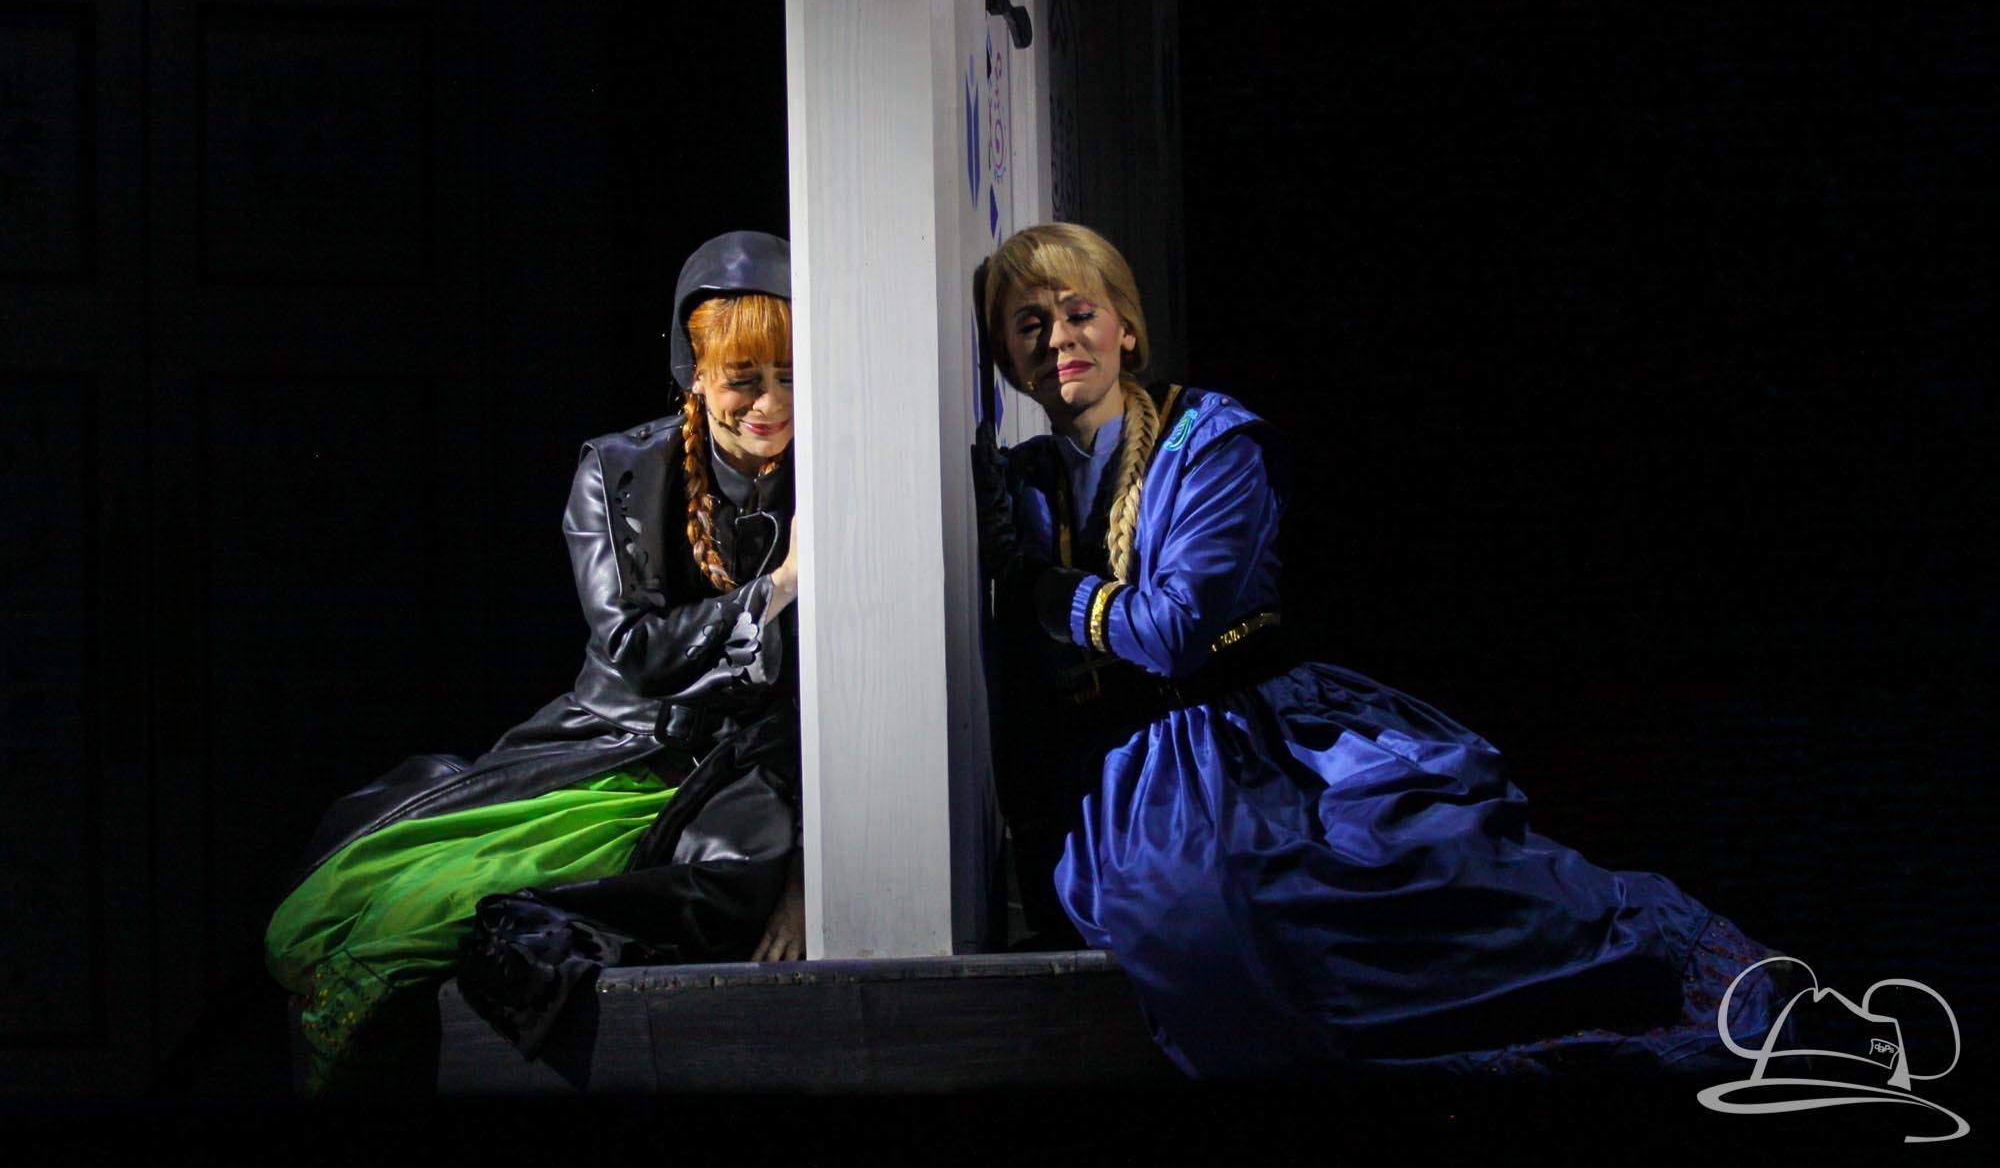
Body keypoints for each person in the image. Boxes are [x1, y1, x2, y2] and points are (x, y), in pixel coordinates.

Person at [972, 222, 1787, 1080]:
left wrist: (1041, 589)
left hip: (1260, 742)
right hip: (1138, 783)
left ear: (1126, 329)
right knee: (1214, 932)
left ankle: (1691, 985)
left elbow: (1176, 631)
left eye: (1078, 313)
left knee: (1424, 870)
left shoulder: (1212, 440)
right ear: (1009, 359)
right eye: (1030, 325)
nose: (1058, 340)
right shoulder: (1026, 482)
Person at [267, 230, 807, 1092]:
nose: (770, 404)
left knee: (730, 871)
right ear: (696, 375)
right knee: (430, 893)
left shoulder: (830, 475)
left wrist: (806, 870)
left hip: (751, 769)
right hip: (615, 744)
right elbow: (632, 649)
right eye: (745, 378)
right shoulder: (621, 470)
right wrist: (776, 587)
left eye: (789, 375)